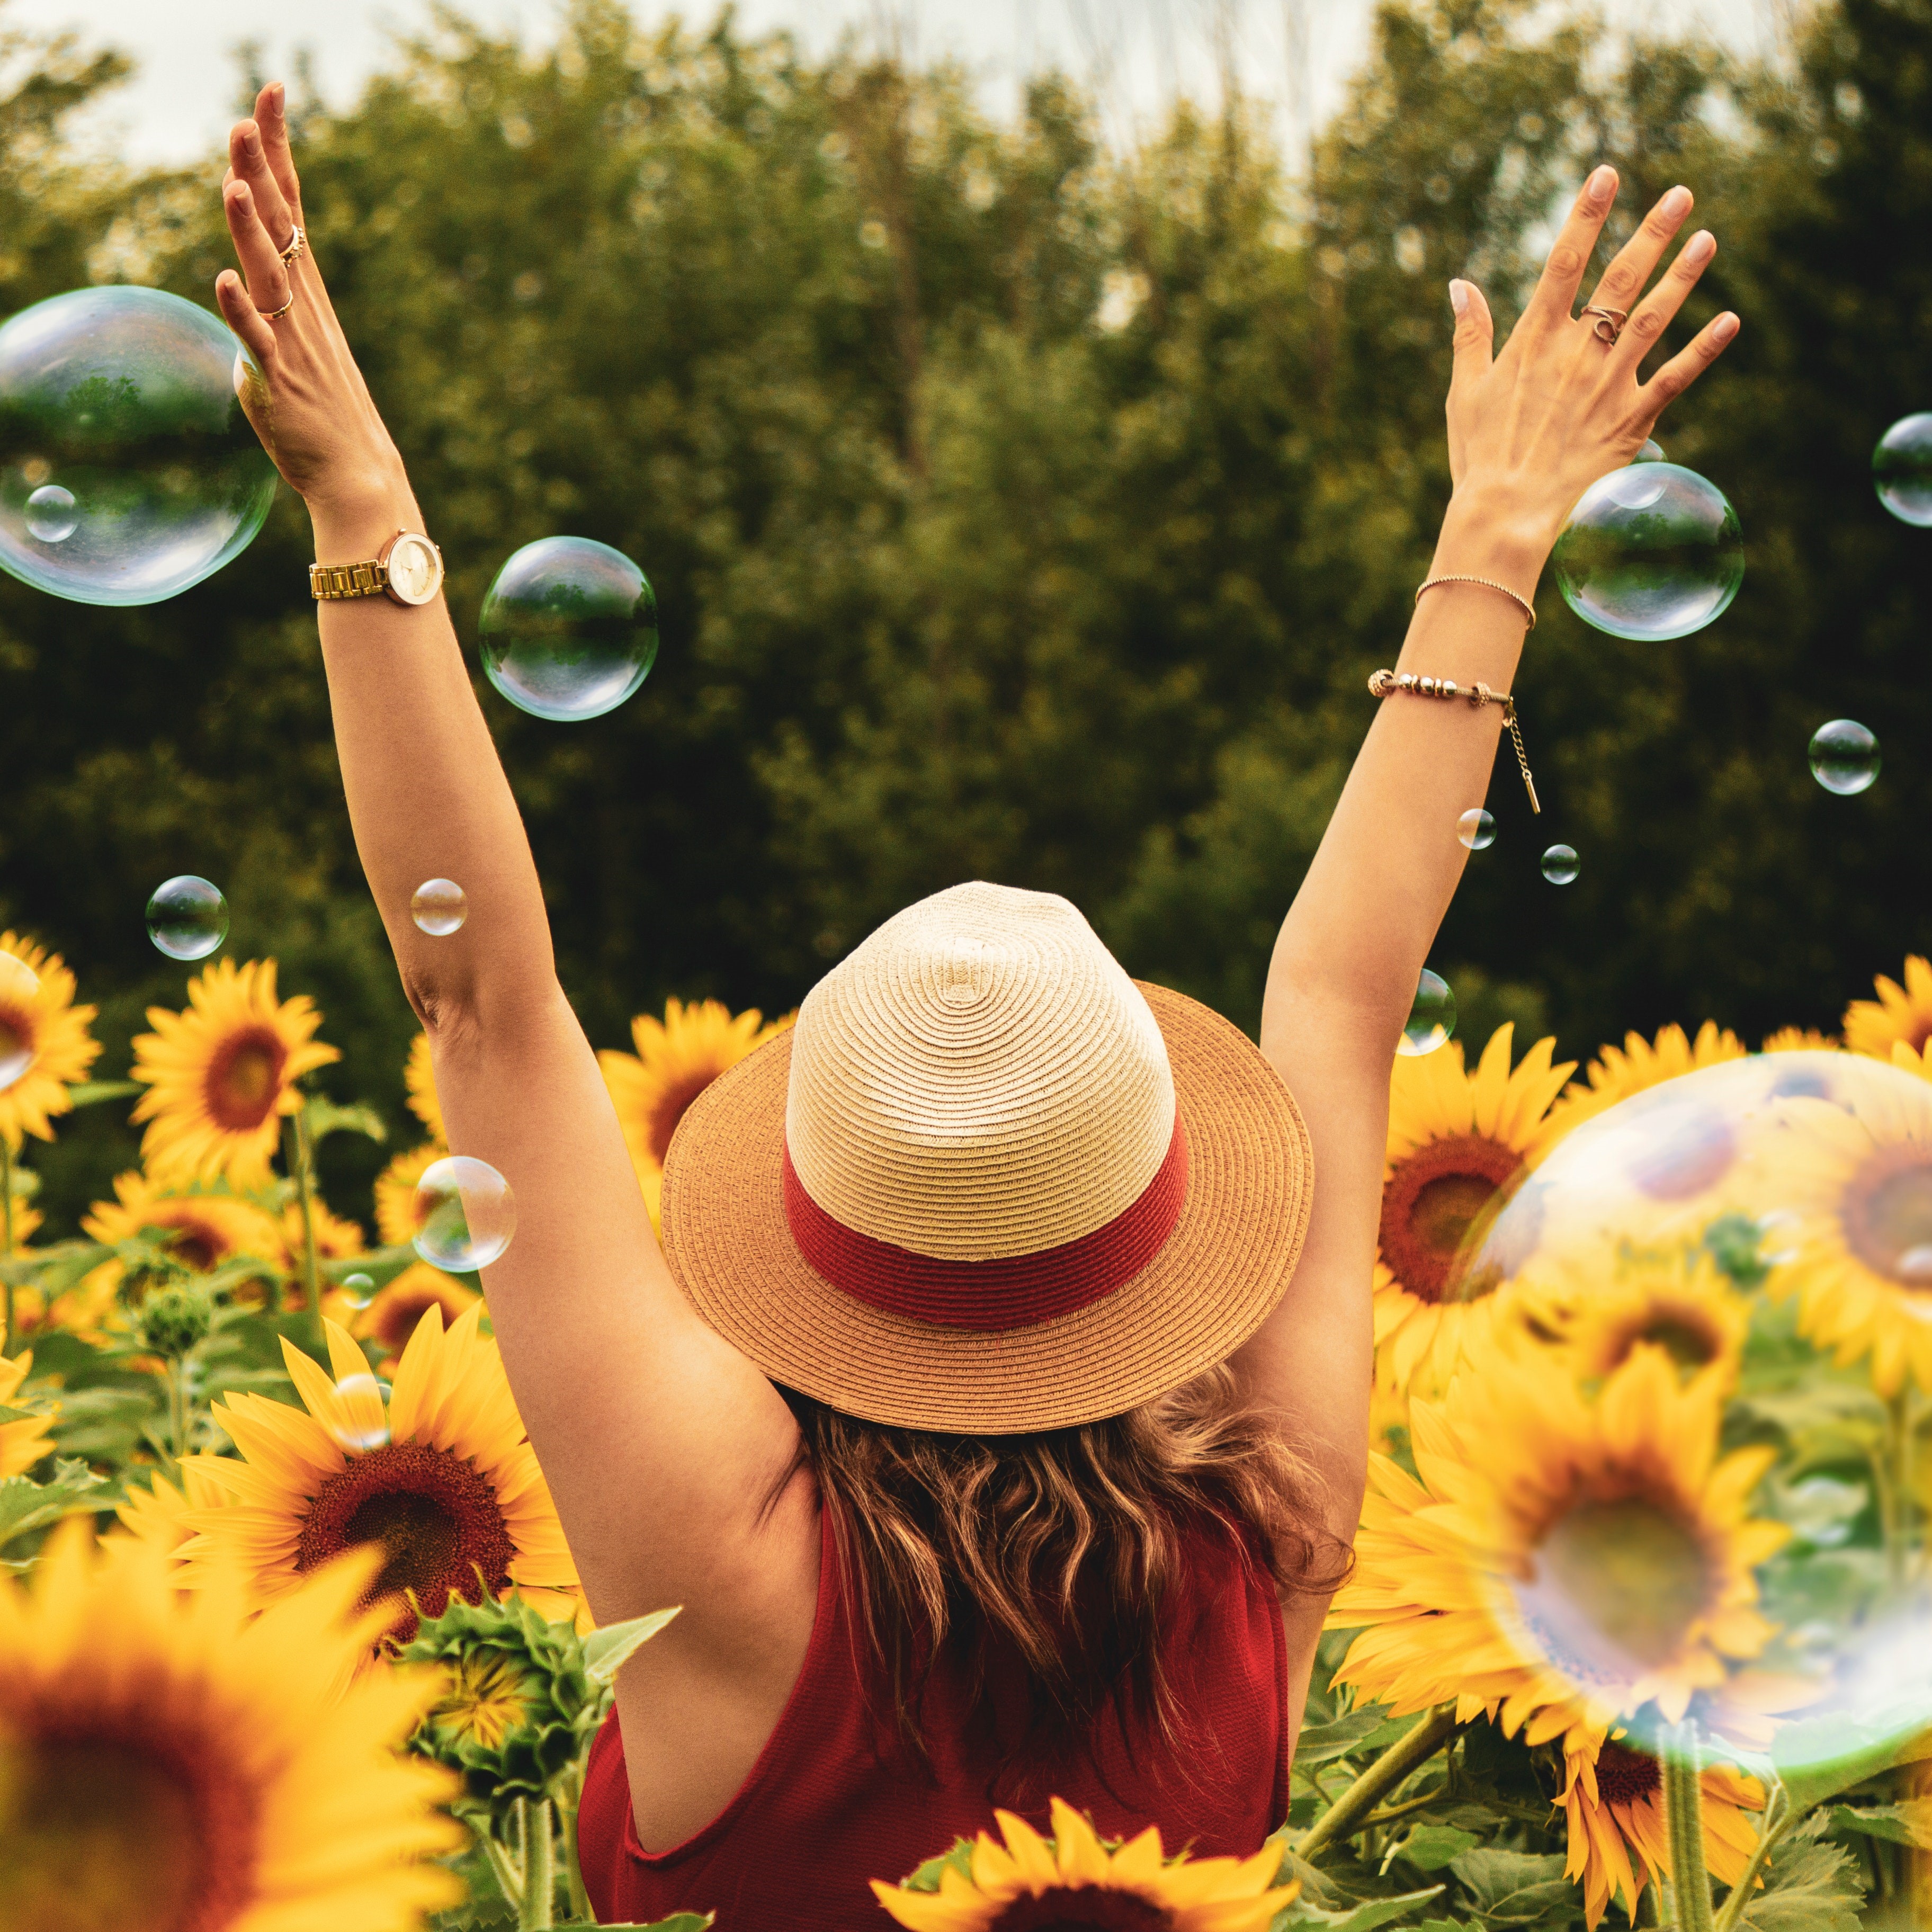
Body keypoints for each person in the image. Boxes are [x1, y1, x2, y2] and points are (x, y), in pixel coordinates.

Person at [210, 82, 1737, 1928]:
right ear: (1155, 1218)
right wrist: (1496, 533)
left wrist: (364, 508)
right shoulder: (1266, 1545)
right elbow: (1339, 999)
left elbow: (484, 1007)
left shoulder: (723, 1560)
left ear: (818, 1220)